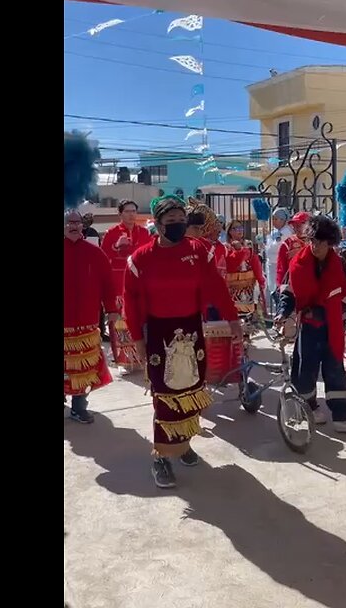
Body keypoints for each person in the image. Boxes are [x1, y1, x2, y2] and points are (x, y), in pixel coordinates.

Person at [122, 195, 241, 488]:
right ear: (158, 225)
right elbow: (131, 303)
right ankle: (161, 458)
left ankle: (184, 444)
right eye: (170, 221)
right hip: (159, 335)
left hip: (191, 328)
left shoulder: (198, 251)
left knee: (190, 391)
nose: (177, 226)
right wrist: (138, 340)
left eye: (180, 221)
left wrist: (233, 319)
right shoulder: (140, 259)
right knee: (165, 396)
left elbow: (215, 286)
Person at [279, 214, 346, 434]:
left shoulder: (340, 267)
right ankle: (309, 408)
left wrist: (331, 313)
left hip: (332, 327)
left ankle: (342, 417)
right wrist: (283, 313)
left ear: (330, 243)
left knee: (335, 370)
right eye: (311, 241)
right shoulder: (297, 264)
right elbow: (287, 292)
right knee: (304, 370)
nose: (313, 246)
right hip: (307, 328)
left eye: (319, 242)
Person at [63, 208, 118, 424]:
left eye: (77, 222)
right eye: (69, 222)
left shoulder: (95, 253)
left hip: (87, 322)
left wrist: (112, 309)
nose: (74, 226)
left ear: (83, 226)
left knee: (84, 368)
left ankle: (79, 407)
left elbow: (108, 284)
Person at [101, 201, 151, 373]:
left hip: (140, 283)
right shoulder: (111, 233)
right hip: (118, 283)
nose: (131, 214)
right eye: (128, 211)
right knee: (120, 323)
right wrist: (116, 247)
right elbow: (103, 258)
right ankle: (124, 360)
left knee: (140, 319)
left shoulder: (144, 233)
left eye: (134, 211)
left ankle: (142, 357)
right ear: (120, 214)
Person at [223, 222, 266, 316]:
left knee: (249, 314)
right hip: (232, 288)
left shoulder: (248, 244)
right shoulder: (226, 247)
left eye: (240, 228)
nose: (239, 230)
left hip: (248, 287)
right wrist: (239, 251)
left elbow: (255, 263)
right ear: (230, 231)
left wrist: (261, 280)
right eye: (236, 228)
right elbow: (230, 266)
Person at [263, 208, 292, 315]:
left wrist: (270, 243)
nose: (274, 221)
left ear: (283, 220)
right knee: (273, 291)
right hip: (271, 265)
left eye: (277, 219)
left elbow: (275, 248)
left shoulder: (286, 232)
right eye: (273, 218)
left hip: (279, 266)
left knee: (280, 293)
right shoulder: (275, 232)